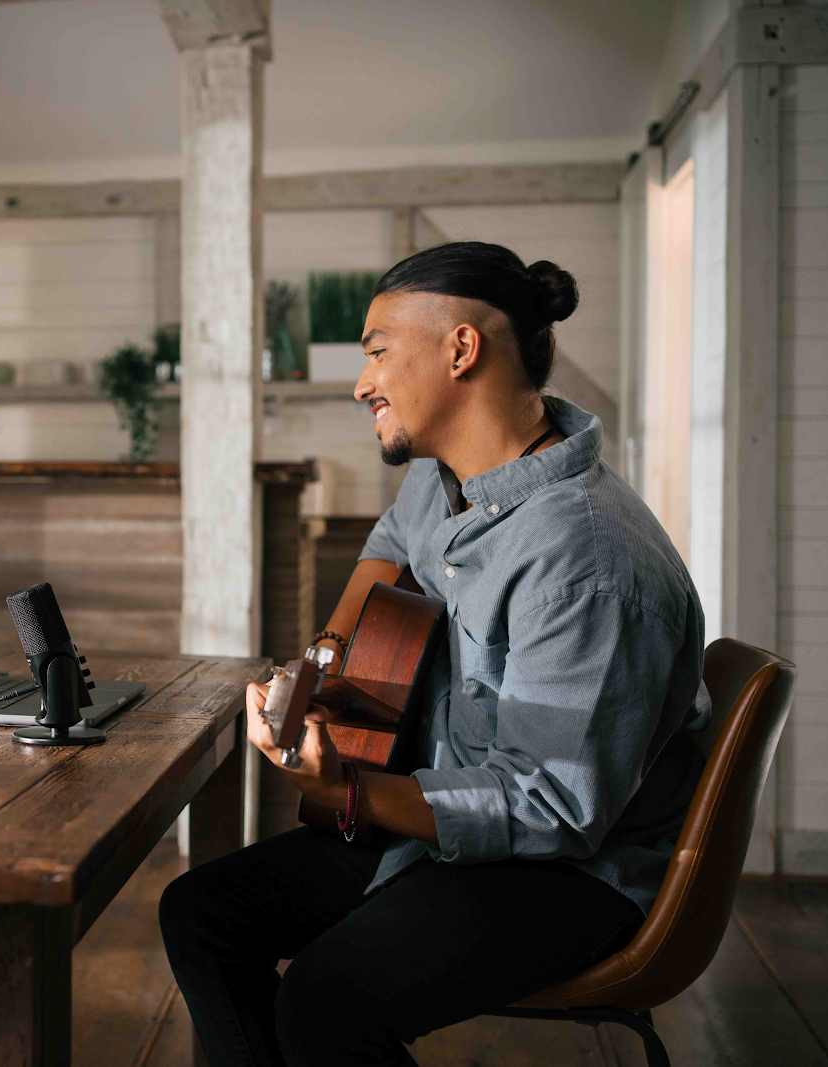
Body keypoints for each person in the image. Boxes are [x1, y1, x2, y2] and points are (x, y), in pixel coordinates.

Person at [158, 242, 709, 1067]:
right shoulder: (448, 475)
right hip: (449, 821)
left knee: (323, 1000)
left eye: (378, 350)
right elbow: (391, 542)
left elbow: (551, 808)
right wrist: (324, 662)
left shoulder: (586, 562)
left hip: (570, 873)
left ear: (461, 349)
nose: (361, 382)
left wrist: (350, 789)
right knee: (200, 913)